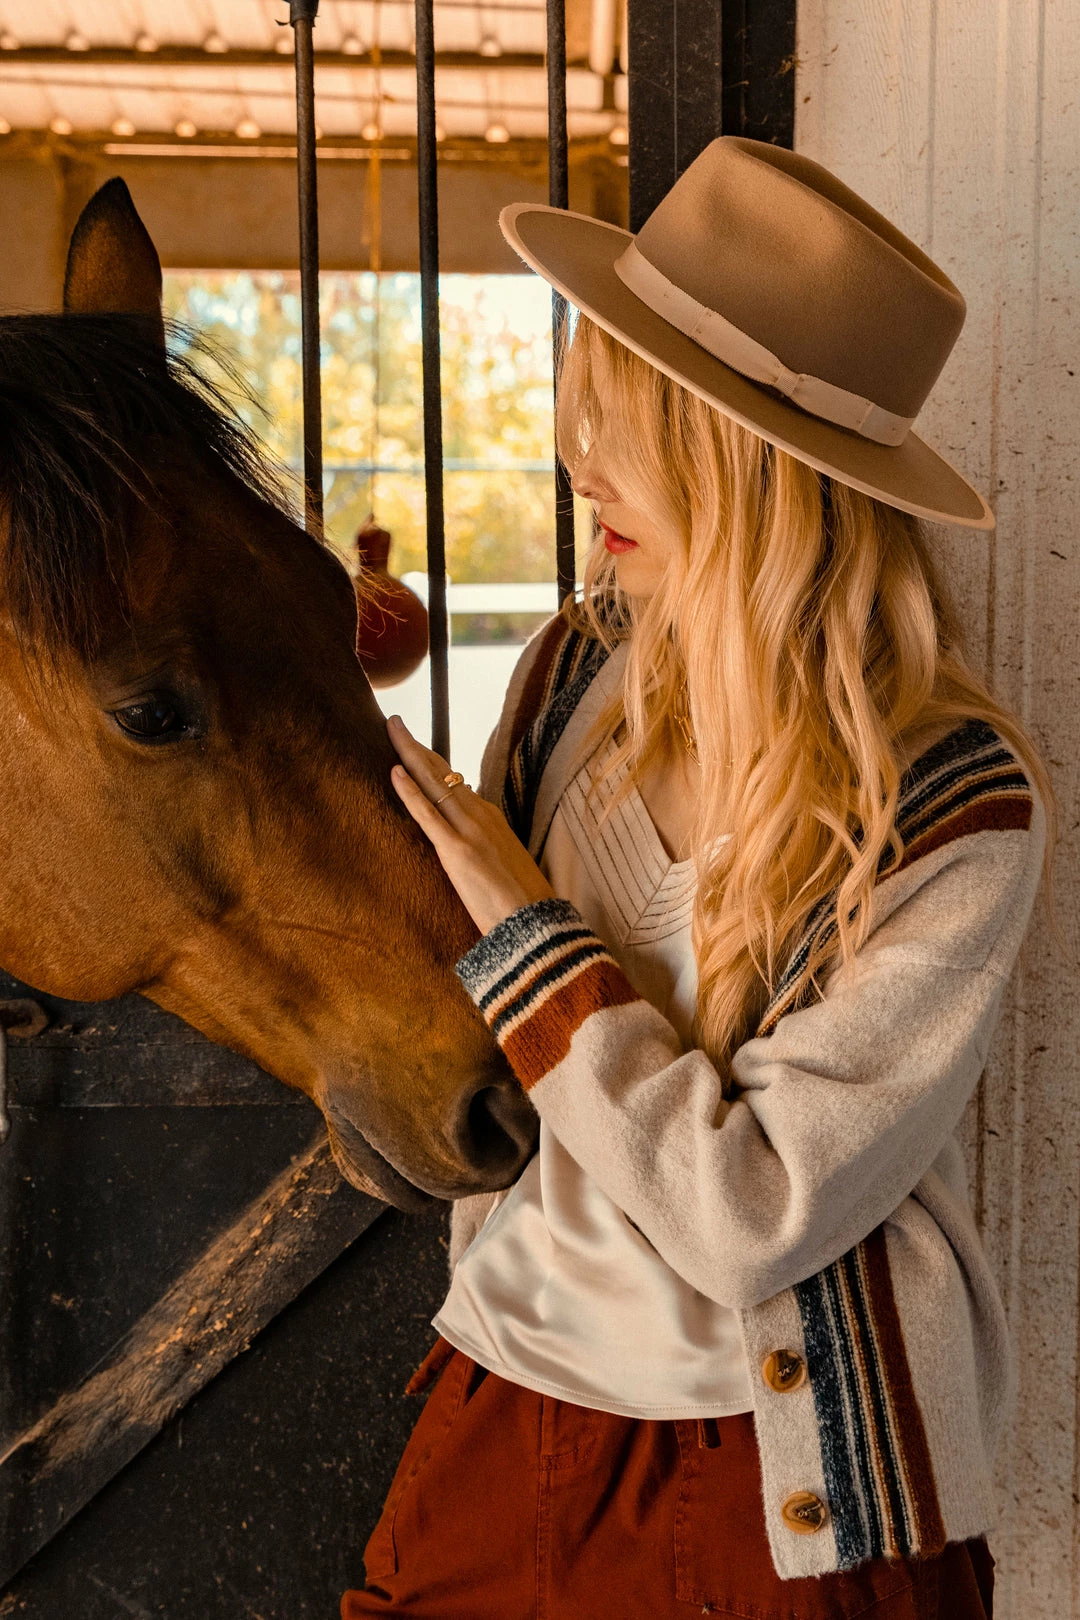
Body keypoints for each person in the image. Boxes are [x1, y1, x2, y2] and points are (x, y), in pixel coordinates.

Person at [341, 137, 1053, 1620]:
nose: (572, 458)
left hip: (779, 1500)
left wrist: (533, 940)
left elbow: (750, 1216)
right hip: (499, 1418)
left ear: (753, 463)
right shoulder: (564, 680)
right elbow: (467, 1047)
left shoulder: (952, 805)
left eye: (627, 424)